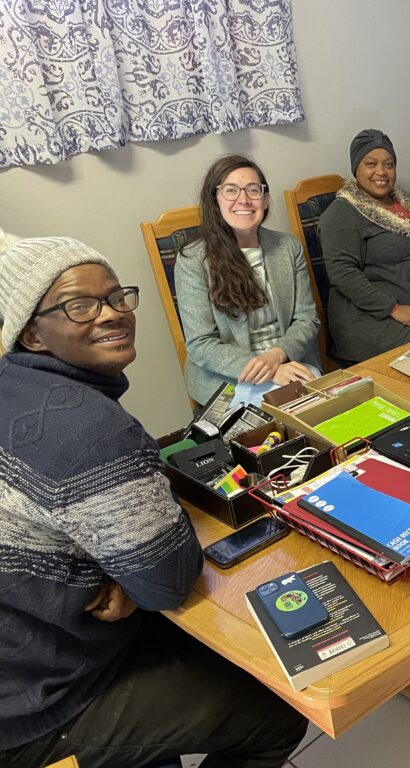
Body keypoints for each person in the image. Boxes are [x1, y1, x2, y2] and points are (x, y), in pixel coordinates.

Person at [0, 235, 307, 767]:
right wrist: (137, 575)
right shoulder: (89, 431)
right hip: (38, 705)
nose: (113, 314)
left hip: (28, 641)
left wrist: (127, 573)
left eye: (118, 297)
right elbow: (166, 581)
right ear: (31, 331)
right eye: (81, 305)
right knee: (277, 713)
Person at [176, 154, 322, 404]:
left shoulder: (288, 247)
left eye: (253, 190)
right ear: (215, 199)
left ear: (265, 200)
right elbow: (201, 343)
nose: (243, 200)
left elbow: (306, 319)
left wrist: (278, 355)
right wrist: (270, 371)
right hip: (230, 375)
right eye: (231, 190)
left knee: (322, 412)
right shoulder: (193, 259)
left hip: (290, 361)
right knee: (275, 423)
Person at [319, 129, 410, 364]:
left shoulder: (406, 203)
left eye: (389, 164)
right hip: (373, 320)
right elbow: (342, 274)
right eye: (371, 164)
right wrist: (393, 309)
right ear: (356, 168)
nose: (381, 172)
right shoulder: (341, 214)